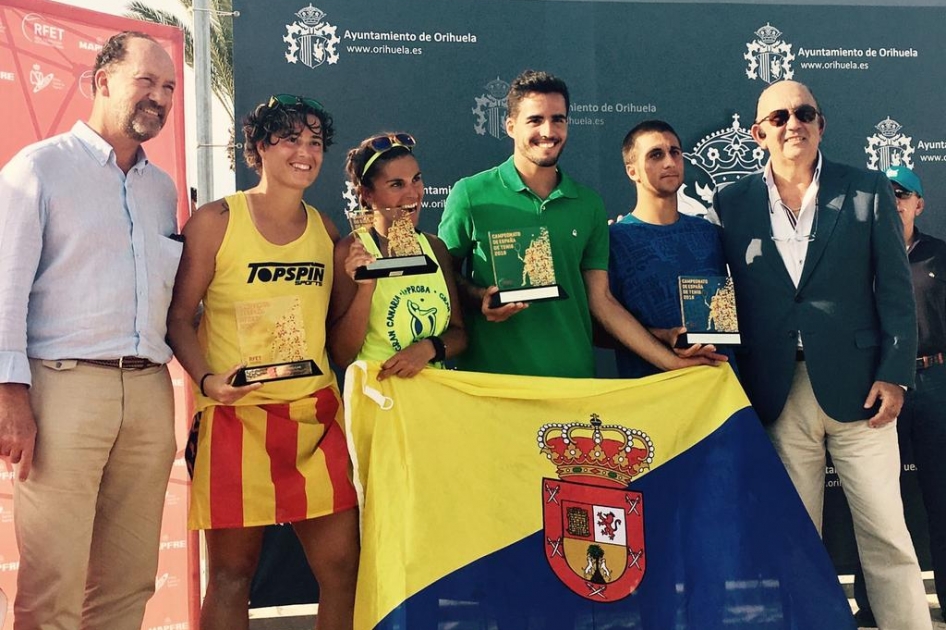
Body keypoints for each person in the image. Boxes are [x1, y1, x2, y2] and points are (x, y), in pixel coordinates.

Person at [713, 80, 930, 630]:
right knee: (796, 538)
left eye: (805, 112)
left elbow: (896, 293)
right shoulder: (732, 203)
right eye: (780, 116)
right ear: (758, 131)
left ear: (821, 124)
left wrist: (895, 375)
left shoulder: (866, 190)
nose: (794, 123)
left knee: (886, 532)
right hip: (780, 390)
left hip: (863, 390)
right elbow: (723, 289)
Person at [0, 31, 181, 629]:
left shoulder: (161, 189)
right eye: (145, 82)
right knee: (52, 581)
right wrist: (9, 395)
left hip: (150, 394)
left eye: (169, 87)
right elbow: (5, 290)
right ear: (101, 81)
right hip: (62, 391)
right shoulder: (39, 168)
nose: (158, 96)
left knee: (129, 581)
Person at [166, 94, 358, 630]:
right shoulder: (216, 221)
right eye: (290, 139)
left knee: (343, 570)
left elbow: (338, 336)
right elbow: (179, 318)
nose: (305, 152)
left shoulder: (326, 230)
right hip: (235, 421)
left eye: (315, 142)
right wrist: (206, 380)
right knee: (231, 577)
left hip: (314, 419)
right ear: (257, 149)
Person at [438, 69, 723, 379]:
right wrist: (479, 296)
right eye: (535, 120)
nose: (548, 131)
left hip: (574, 382)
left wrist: (671, 362)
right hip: (494, 381)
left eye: (558, 119)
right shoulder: (470, 194)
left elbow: (602, 301)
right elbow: (443, 276)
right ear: (510, 126)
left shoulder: (587, 204)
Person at [851, 165, 946, 626]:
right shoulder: (860, 259)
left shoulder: (940, 256)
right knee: (878, 501)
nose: (894, 202)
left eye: (902, 195)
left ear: (918, 204)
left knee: (941, 498)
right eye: (885, 196)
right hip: (882, 384)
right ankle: (873, 606)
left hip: (934, 383)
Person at [329, 132, 467, 376]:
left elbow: (459, 334)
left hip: (433, 400)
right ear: (366, 194)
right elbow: (342, 355)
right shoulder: (350, 251)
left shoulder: (435, 247)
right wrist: (366, 288)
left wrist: (427, 349)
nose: (413, 193)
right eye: (396, 184)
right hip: (379, 400)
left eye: (416, 179)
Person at [609, 119, 732, 378]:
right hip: (653, 393)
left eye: (675, 152)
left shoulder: (709, 233)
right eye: (656, 155)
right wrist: (665, 337)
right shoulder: (614, 239)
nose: (669, 162)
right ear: (632, 171)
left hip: (720, 384)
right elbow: (600, 329)